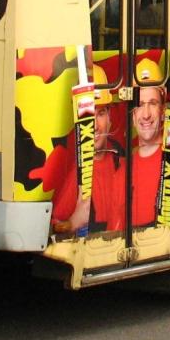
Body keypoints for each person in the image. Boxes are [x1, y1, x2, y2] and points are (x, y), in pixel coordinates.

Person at [53, 65, 126, 234]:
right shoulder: (76, 172)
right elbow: (51, 228)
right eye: (88, 116)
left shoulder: (121, 160)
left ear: (109, 118)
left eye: (100, 113)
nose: (94, 126)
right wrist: (71, 224)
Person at [131, 58, 167, 228]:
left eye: (152, 104)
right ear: (132, 115)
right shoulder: (123, 170)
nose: (145, 115)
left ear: (163, 111)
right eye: (139, 104)